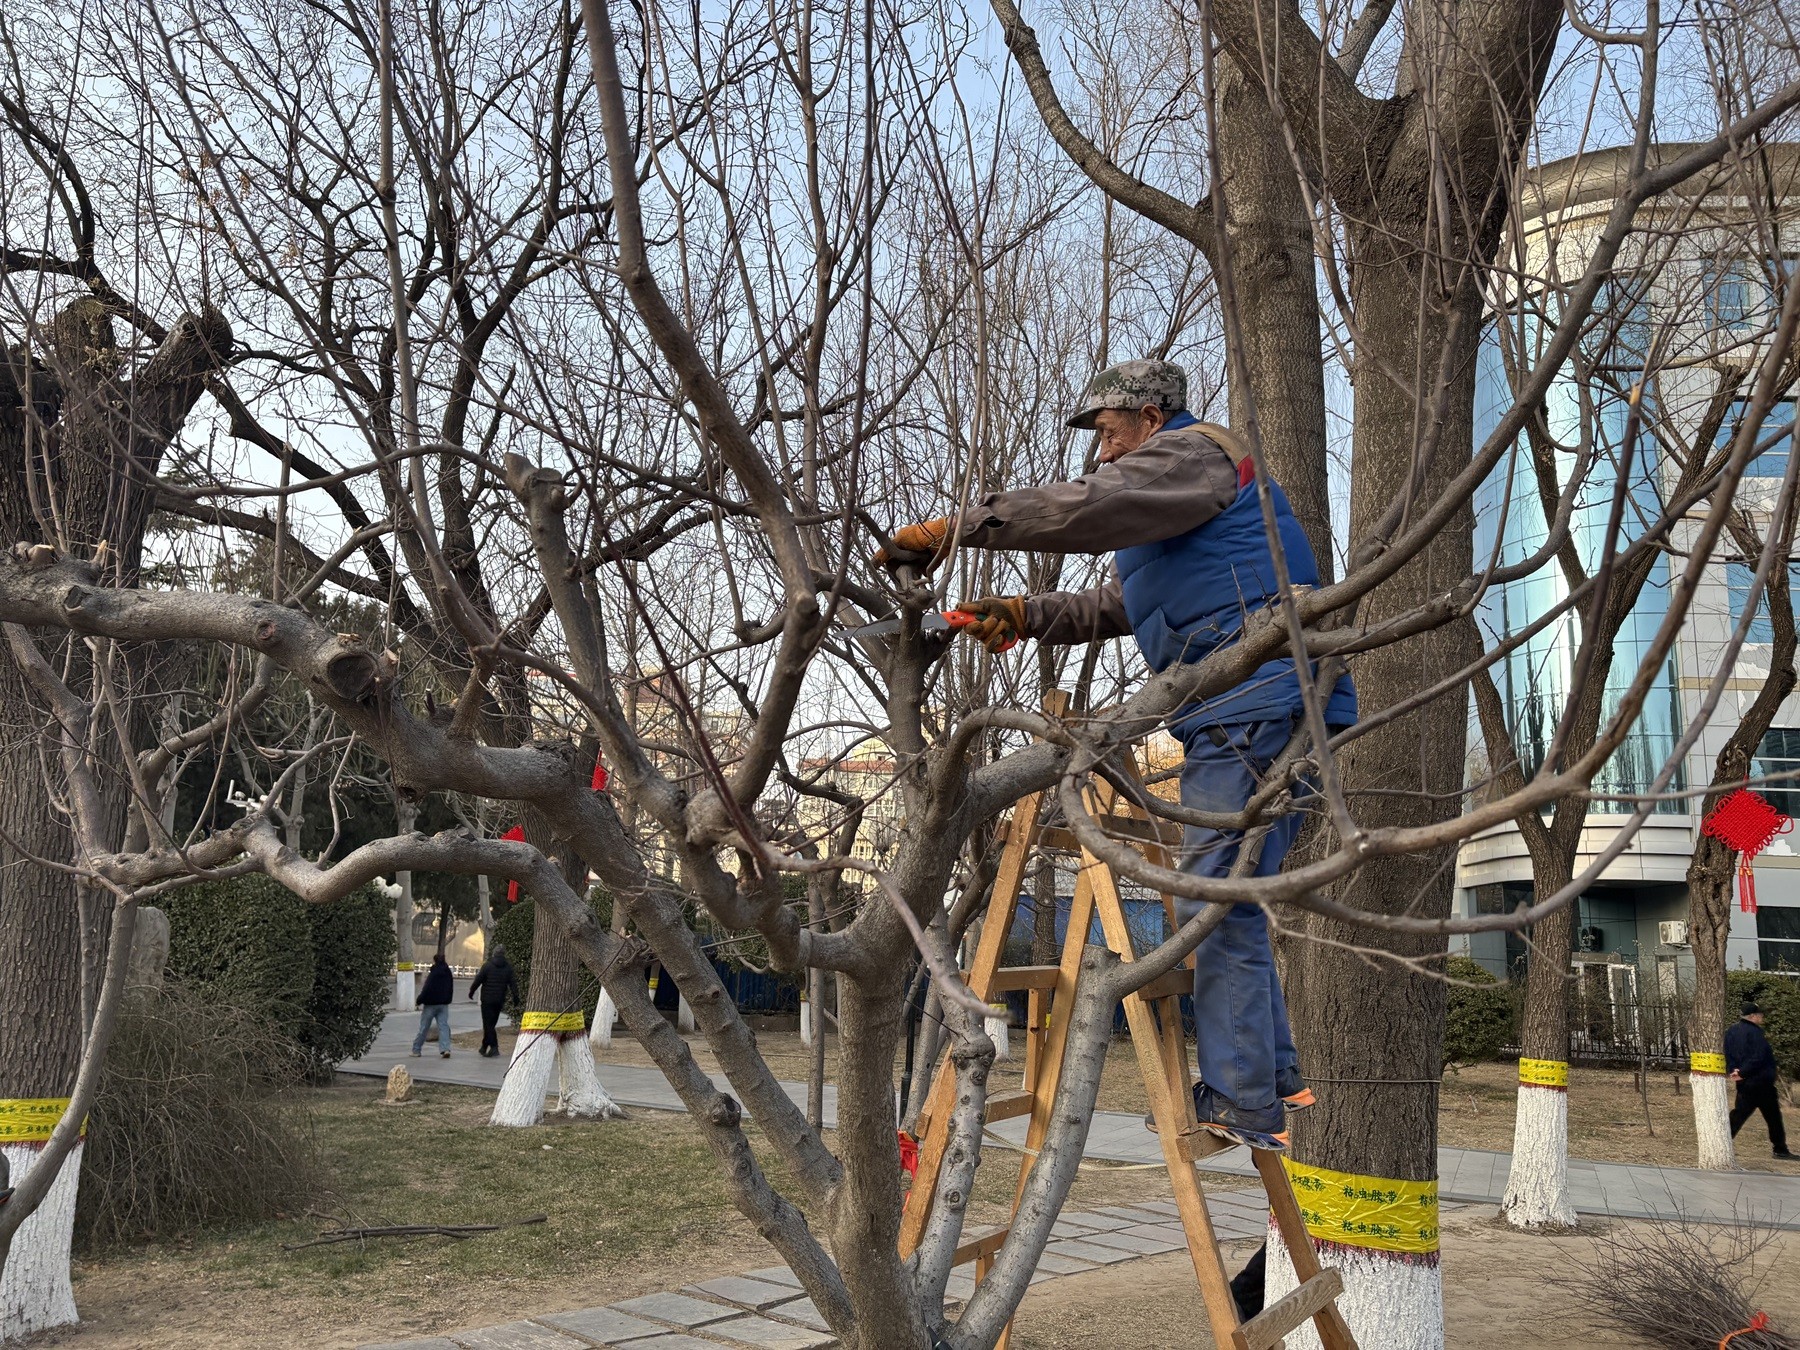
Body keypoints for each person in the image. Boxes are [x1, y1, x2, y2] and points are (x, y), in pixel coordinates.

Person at [876, 359, 1356, 1151]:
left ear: (1149, 416)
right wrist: (1025, 613)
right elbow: (1122, 603)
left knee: (1211, 898)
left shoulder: (1190, 454)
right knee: (1231, 896)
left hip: (1255, 703)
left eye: (1107, 433)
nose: (1102, 454)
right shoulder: (1183, 508)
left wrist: (962, 526)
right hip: (1269, 705)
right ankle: (1271, 1078)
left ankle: (1242, 1100)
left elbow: (1088, 507)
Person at [1726, 1000, 1792, 1159]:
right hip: (1760, 1081)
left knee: (1738, 1114)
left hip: (1744, 1082)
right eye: (1760, 1014)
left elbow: (1728, 1053)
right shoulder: (1756, 1033)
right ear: (1752, 1016)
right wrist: (1744, 1072)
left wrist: (1734, 1071)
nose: (1762, 1016)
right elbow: (1758, 1057)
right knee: (1773, 1116)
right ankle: (1780, 1149)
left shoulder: (1731, 1031)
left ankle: (1722, 1141)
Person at [469, 943, 520, 1058]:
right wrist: (516, 998)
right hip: (499, 1000)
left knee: (488, 1024)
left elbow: (478, 980)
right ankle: (484, 1046)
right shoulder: (508, 968)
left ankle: (494, 1047)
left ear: (494, 954)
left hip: (487, 999)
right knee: (491, 1024)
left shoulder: (487, 966)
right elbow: (513, 984)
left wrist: (472, 991)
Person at [411, 952, 456, 1058]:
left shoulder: (434, 973)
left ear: (435, 961)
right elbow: (450, 988)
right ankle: (445, 1049)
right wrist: (448, 999)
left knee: (424, 1027)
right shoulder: (448, 973)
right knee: (443, 1026)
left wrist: (419, 1000)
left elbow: (427, 988)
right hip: (443, 1004)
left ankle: (416, 1049)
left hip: (430, 1004)